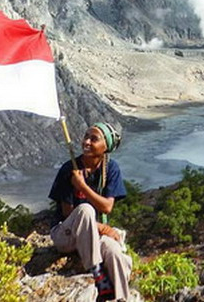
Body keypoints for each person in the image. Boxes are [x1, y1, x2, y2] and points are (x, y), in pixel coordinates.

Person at [49, 122, 131, 302]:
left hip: (90, 237)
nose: (86, 142)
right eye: (86, 137)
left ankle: (121, 298)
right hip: (66, 234)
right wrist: (103, 228)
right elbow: (67, 213)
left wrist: (82, 187)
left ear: (105, 147)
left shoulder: (111, 168)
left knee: (113, 251)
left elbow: (107, 207)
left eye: (93, 139)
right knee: (85, 210)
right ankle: (97, 272)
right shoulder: (69, 169)